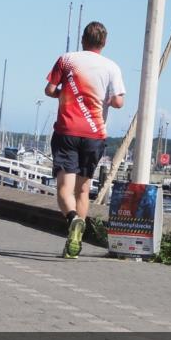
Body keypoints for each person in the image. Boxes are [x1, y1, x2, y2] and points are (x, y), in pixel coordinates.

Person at [44, 21, 125, 258]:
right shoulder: (111, 67)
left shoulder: (67, 60)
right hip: (94, 134)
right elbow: (119, 102)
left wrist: (66, 94)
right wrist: (103, 100)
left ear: (83, 39)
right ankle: (75, 241)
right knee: (83, 190)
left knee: (64, 189)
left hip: (67, 131)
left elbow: (49, 90)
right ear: (104, 42)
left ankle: (72, 219)